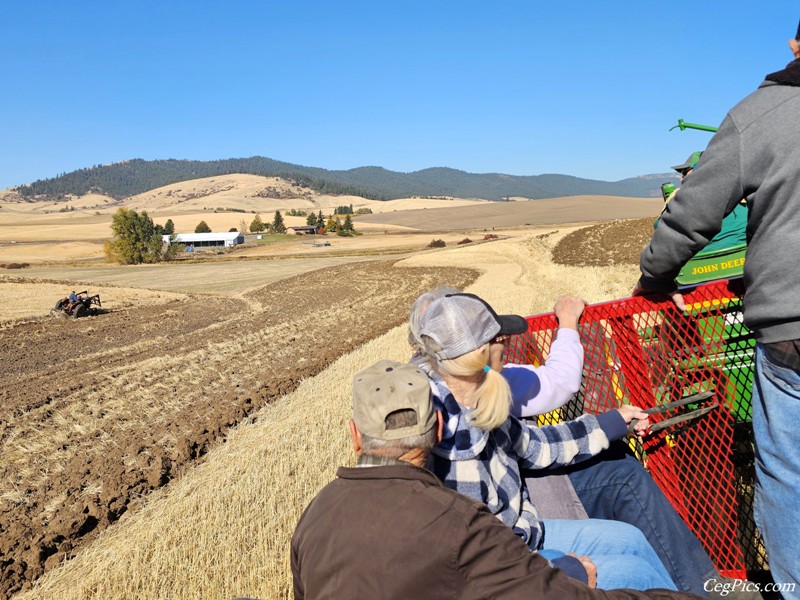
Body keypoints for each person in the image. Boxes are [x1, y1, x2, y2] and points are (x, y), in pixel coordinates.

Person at [291, 359, 699, 600]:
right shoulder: (457, 518)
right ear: (437, 426)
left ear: (355, 434)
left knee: (626, 544)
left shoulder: (313, 518)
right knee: (637, 577)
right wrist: (573, 574)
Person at [409, 288, 719, 594]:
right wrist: (559, 569)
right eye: (501, 339)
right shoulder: (444, 422)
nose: (507, 345)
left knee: (631, 540)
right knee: (632, 569)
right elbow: (477, 559)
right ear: (481, 352)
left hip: (521, 531)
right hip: (504, 558)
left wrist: (611, 423)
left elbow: (535, 445)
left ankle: (702, 591)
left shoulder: (482, 392)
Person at [635, 28, 800, 594]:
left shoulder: (762, 114)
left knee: (786, 474)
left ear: (795, 45)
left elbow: (689, 218)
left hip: (790, 330)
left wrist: (654, 280)